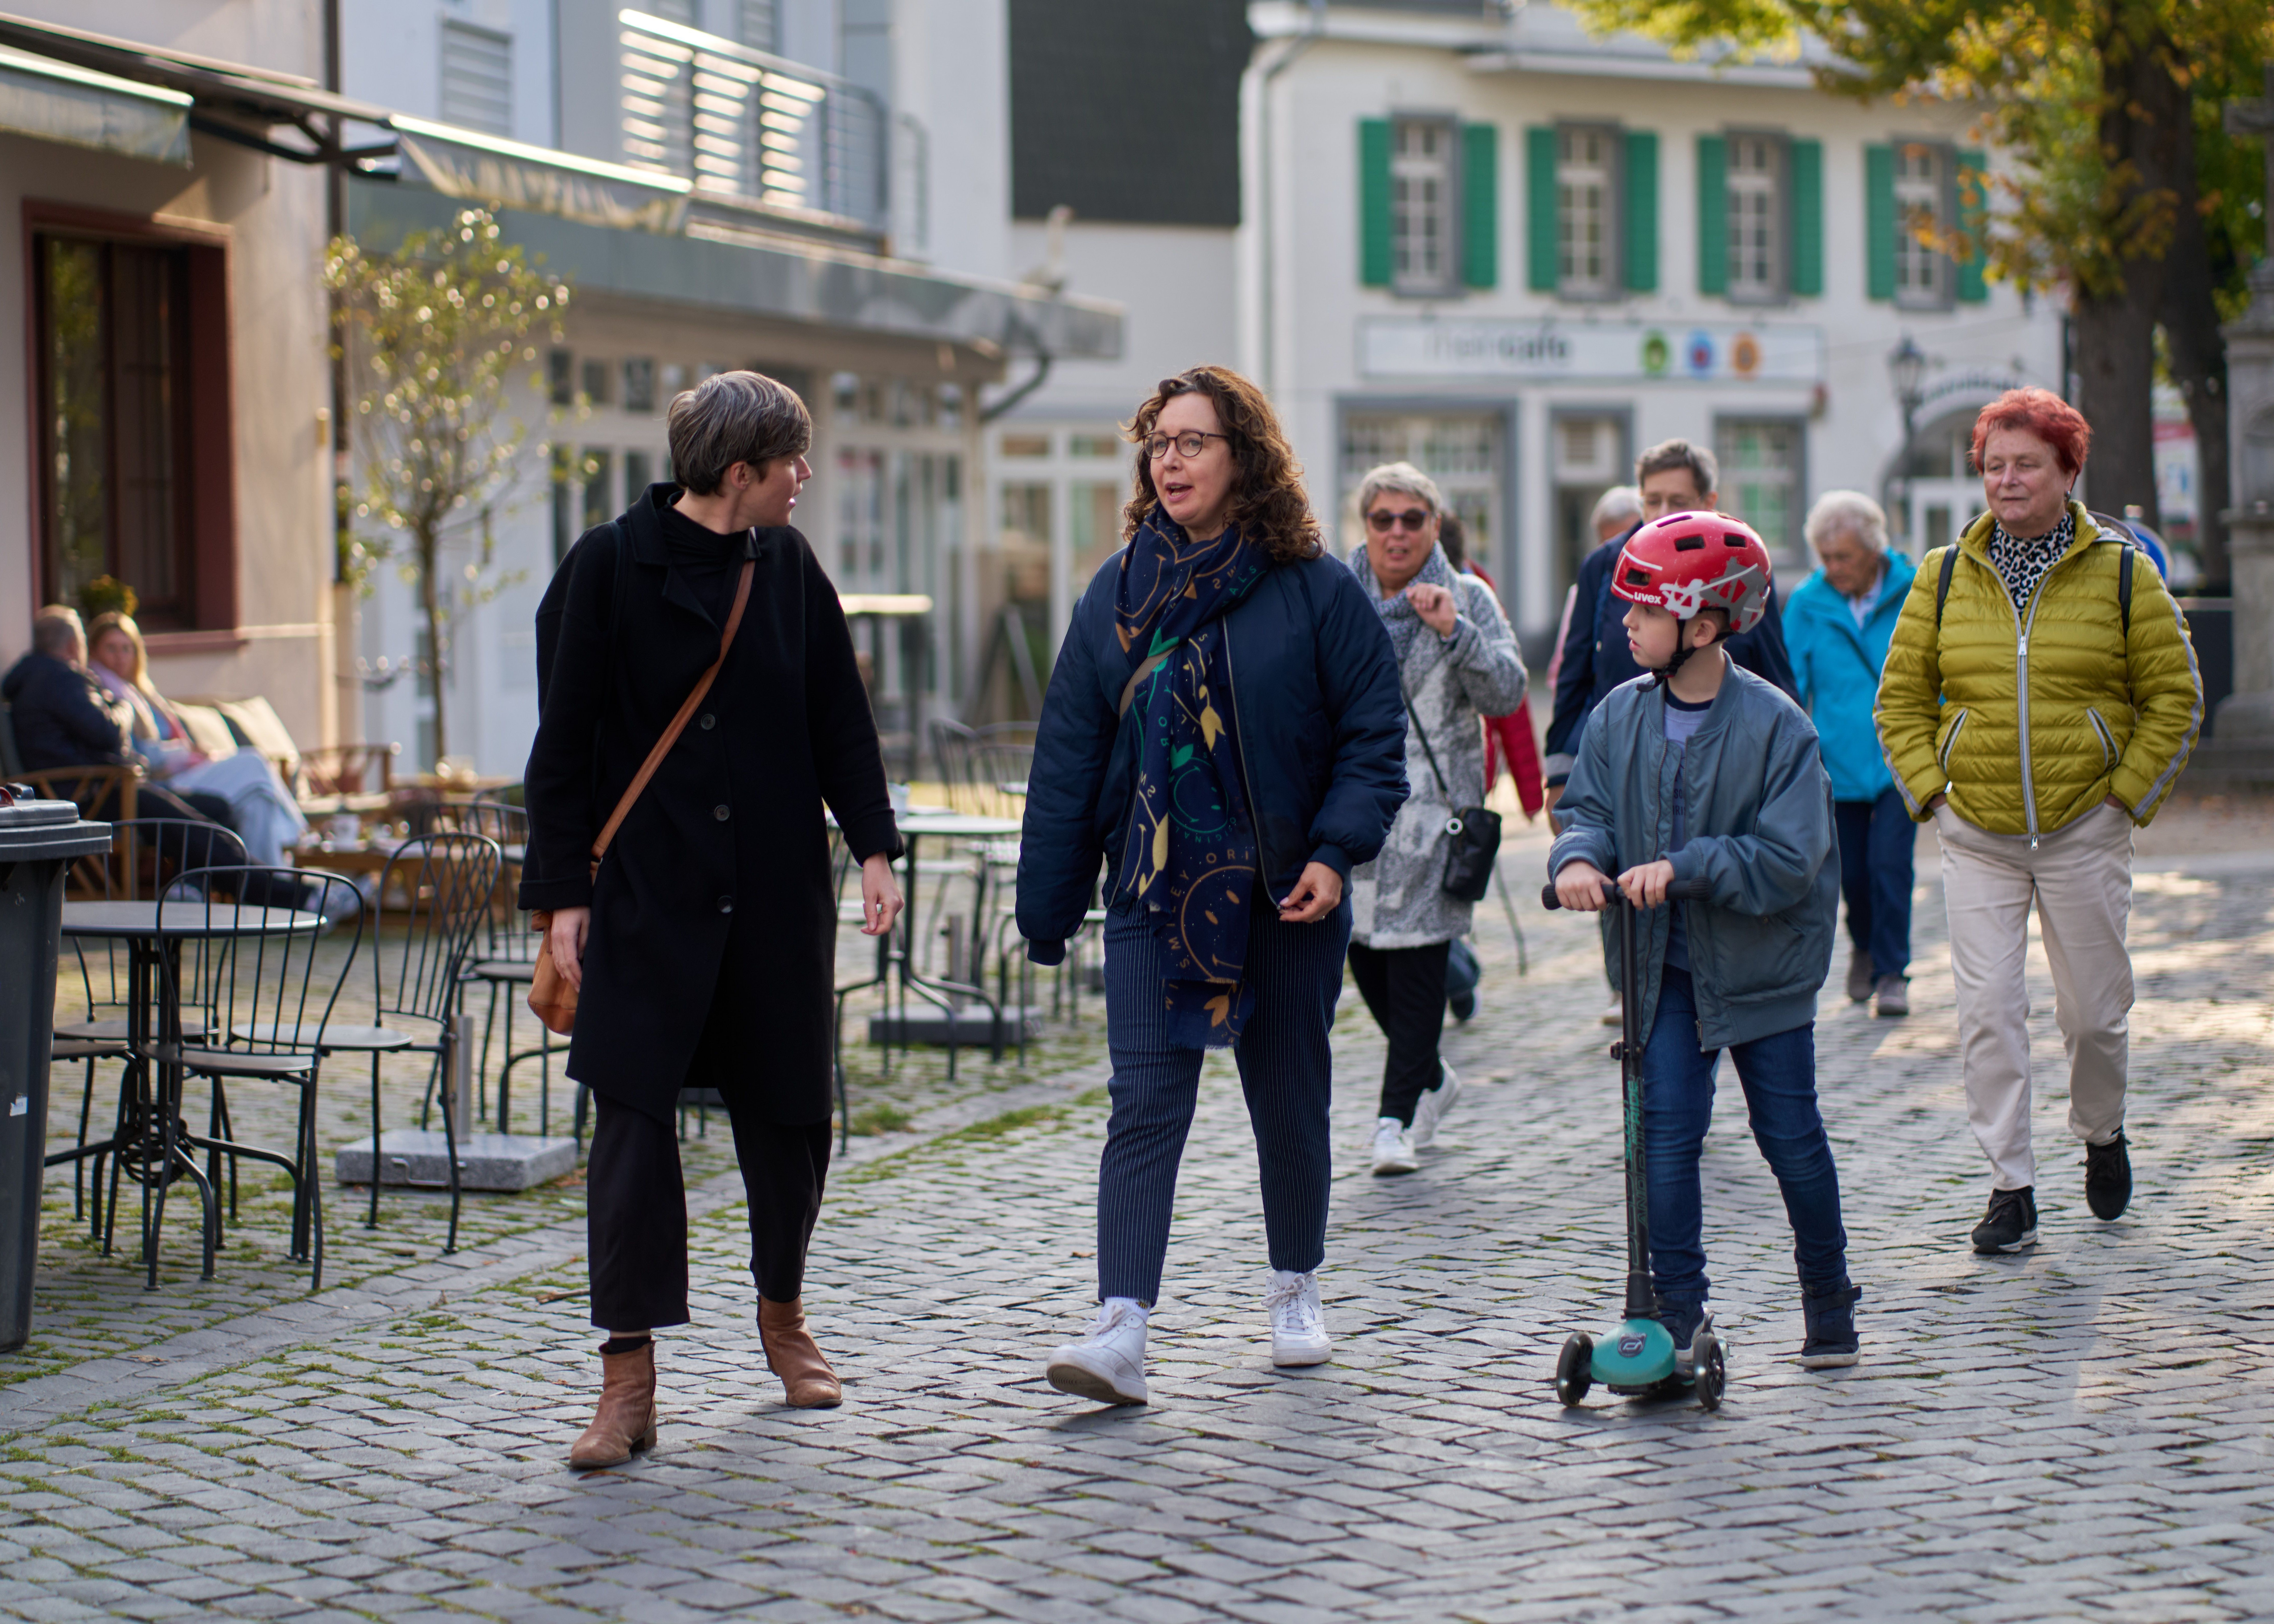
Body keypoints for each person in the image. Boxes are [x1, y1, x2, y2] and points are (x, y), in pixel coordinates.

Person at [520, 371, 906, 1468]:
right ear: (741, 473)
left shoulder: (786, 567)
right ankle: (626, 1382)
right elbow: (564, 747)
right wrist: (560, 901)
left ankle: (782, 1313)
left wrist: (873, 847)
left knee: (789, 1123)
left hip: (776, 896)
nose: (806, 477)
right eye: (793, 461)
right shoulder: (606, 567)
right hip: (647, 899)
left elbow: (840, 714)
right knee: (630, 1135)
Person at [1018, 365, 1406, 1405]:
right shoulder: (1117, 590)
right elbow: (1067, 752)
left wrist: (1333, 853)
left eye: (1195, 440)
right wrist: (1047, 905)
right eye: (1160, 443)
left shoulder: (1317, 588)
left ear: (1246, 457)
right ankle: (1122, 1327)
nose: (1173, 459)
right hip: (1153, 890)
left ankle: (1294, 1286)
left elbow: (1374, 738)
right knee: (1144, 1101)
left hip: (1284, 895)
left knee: (1289, 1096)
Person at [1876, 387, 2201, 1255]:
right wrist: (1931, 793)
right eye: (1992, 466)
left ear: (2067, 470)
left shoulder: (2124, 572)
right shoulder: (1942, 575)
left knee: (2093, 1013)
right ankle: (2010, 1187)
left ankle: (2100, 1129)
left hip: (2082, 826)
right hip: (1975, 830)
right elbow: (1900, 700)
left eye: (2025, 464)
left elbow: (2174, 698)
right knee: (1986, 1009)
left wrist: (2123, 795)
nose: (2006, 481)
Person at [1550, 510, 1860, 1370]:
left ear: (1702, 624)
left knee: (1788, 1137)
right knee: (1665, 1139)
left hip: (1760, 970)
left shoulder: (1776, 727)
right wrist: (1578, 858)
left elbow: (1791, 859)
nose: (1625, 625)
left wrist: (1683, 867)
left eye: (1643, 612)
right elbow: (1590, 812)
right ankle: (1674, 1318)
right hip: (1661, 972)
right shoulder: (1617, 716)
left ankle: (1828, 1297)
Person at [1344, 465, 1527, 1175]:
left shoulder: (1469, 596)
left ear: (1434, 524)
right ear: (1365, 524)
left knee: (1420, 965)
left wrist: (1455, 632)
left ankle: (1393, 1121)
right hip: (1355, 816)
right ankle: (1431, 1078)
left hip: (1434, 822)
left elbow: (1508, 691)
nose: (1397, 531)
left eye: (1412, 518)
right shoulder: (1337, 596)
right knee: (1366, 961)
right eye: (1383, 518)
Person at [1782, 493, 1917, 1018]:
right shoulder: (1807, 603)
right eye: (1826, 558)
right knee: (1852, 875)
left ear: (1873, 551)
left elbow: (1938, 669)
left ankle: (1891, 972)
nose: (1833, 568)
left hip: (1897, 760)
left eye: (1843, 557)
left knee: (1890, 866)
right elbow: (1790, 688)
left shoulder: (1913, 592)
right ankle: (1862, 945)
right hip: (1834, 766)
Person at [84, 611, 309, 867]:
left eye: (127, 649)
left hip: (185, 771)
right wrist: (182, 754)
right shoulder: (105, 694)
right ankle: (303, 834)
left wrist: (194, 752)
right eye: (111, 648)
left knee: (258, 802)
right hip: (163, 784)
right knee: (254, 762)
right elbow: (135, 754)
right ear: (94, 651)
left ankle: (273, 882)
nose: (120, 657)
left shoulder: (141, 693)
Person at [2, 605, 239, 836]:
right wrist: (123, 707)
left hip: (74, 791)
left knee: (215, 809)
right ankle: (246, 875)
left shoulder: (31, 680)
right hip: (89, 797)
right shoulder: (63, 680)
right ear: (75, 646)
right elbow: (108, 732)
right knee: (201, 821)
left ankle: (212, 875)